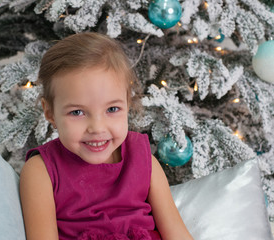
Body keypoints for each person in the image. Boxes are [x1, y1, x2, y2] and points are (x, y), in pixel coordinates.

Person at [19, 32, 193, 240]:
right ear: (50, 112)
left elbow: (177, 233)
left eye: (112, 109)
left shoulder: (143, 160)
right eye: (77, 112)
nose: (97, 128)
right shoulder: (41, 171)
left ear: (128, 103)